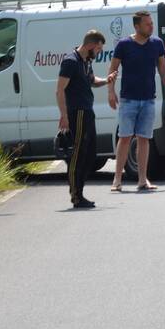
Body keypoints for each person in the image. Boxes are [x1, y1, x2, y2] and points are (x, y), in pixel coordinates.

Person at [108, 11, 165, 192]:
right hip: (128, 100)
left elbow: (163, 68)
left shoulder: (157, 43)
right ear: (137, 26)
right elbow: (113, 69)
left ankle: (142, 179)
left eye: (151, 23)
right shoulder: (124, 45)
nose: (151, 26)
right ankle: (117, 179)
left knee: (144, 139)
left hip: (148, 99)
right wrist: (110, 91)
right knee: (124, 138)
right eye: (147, 24)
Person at [56, 30, 109, 208]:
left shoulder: (86, 61)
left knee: (90, 154)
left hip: (87, 111)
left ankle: (80, 191)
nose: (99, 52)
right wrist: (64, 115)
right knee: (77, 154)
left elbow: (92, 81)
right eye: (99, 49)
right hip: (76, 112)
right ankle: (76, 195)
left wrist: (107, 80)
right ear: (90, 46)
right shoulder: (71, 62)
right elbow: (60, 90)